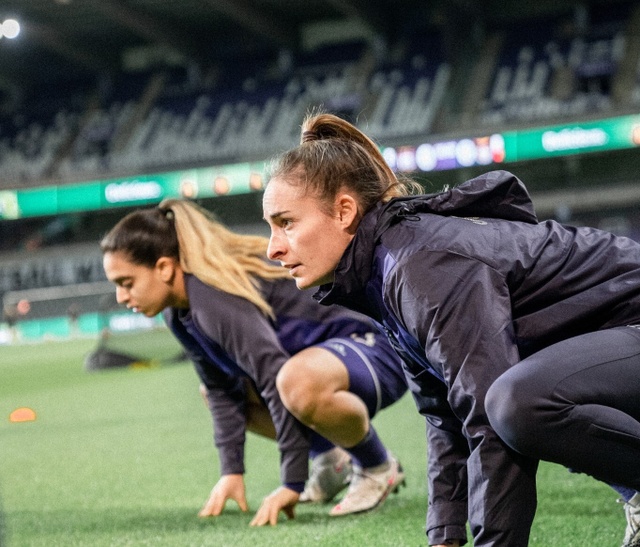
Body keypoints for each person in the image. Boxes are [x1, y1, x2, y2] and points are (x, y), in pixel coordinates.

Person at [262, 111, 640, 547]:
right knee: (525, 400)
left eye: (286, 222)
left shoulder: (418, 265)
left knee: (520, 404)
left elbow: (487, 418)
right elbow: (444, 414)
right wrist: (444, 536)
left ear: (345, 211)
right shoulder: (385, 270)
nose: (273, 247)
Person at [100, 198, 408, 527]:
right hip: (317, 366)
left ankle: (377, 466)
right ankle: (331, 461)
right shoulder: (176, 312)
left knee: (294, 380)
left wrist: (291, 482)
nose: (121, 297)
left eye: (126, 283)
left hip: (375, 349)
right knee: (224, 393)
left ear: (163, 267)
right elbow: (221, 389)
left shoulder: (210, 296)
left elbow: (272, 373)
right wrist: (231, 472)